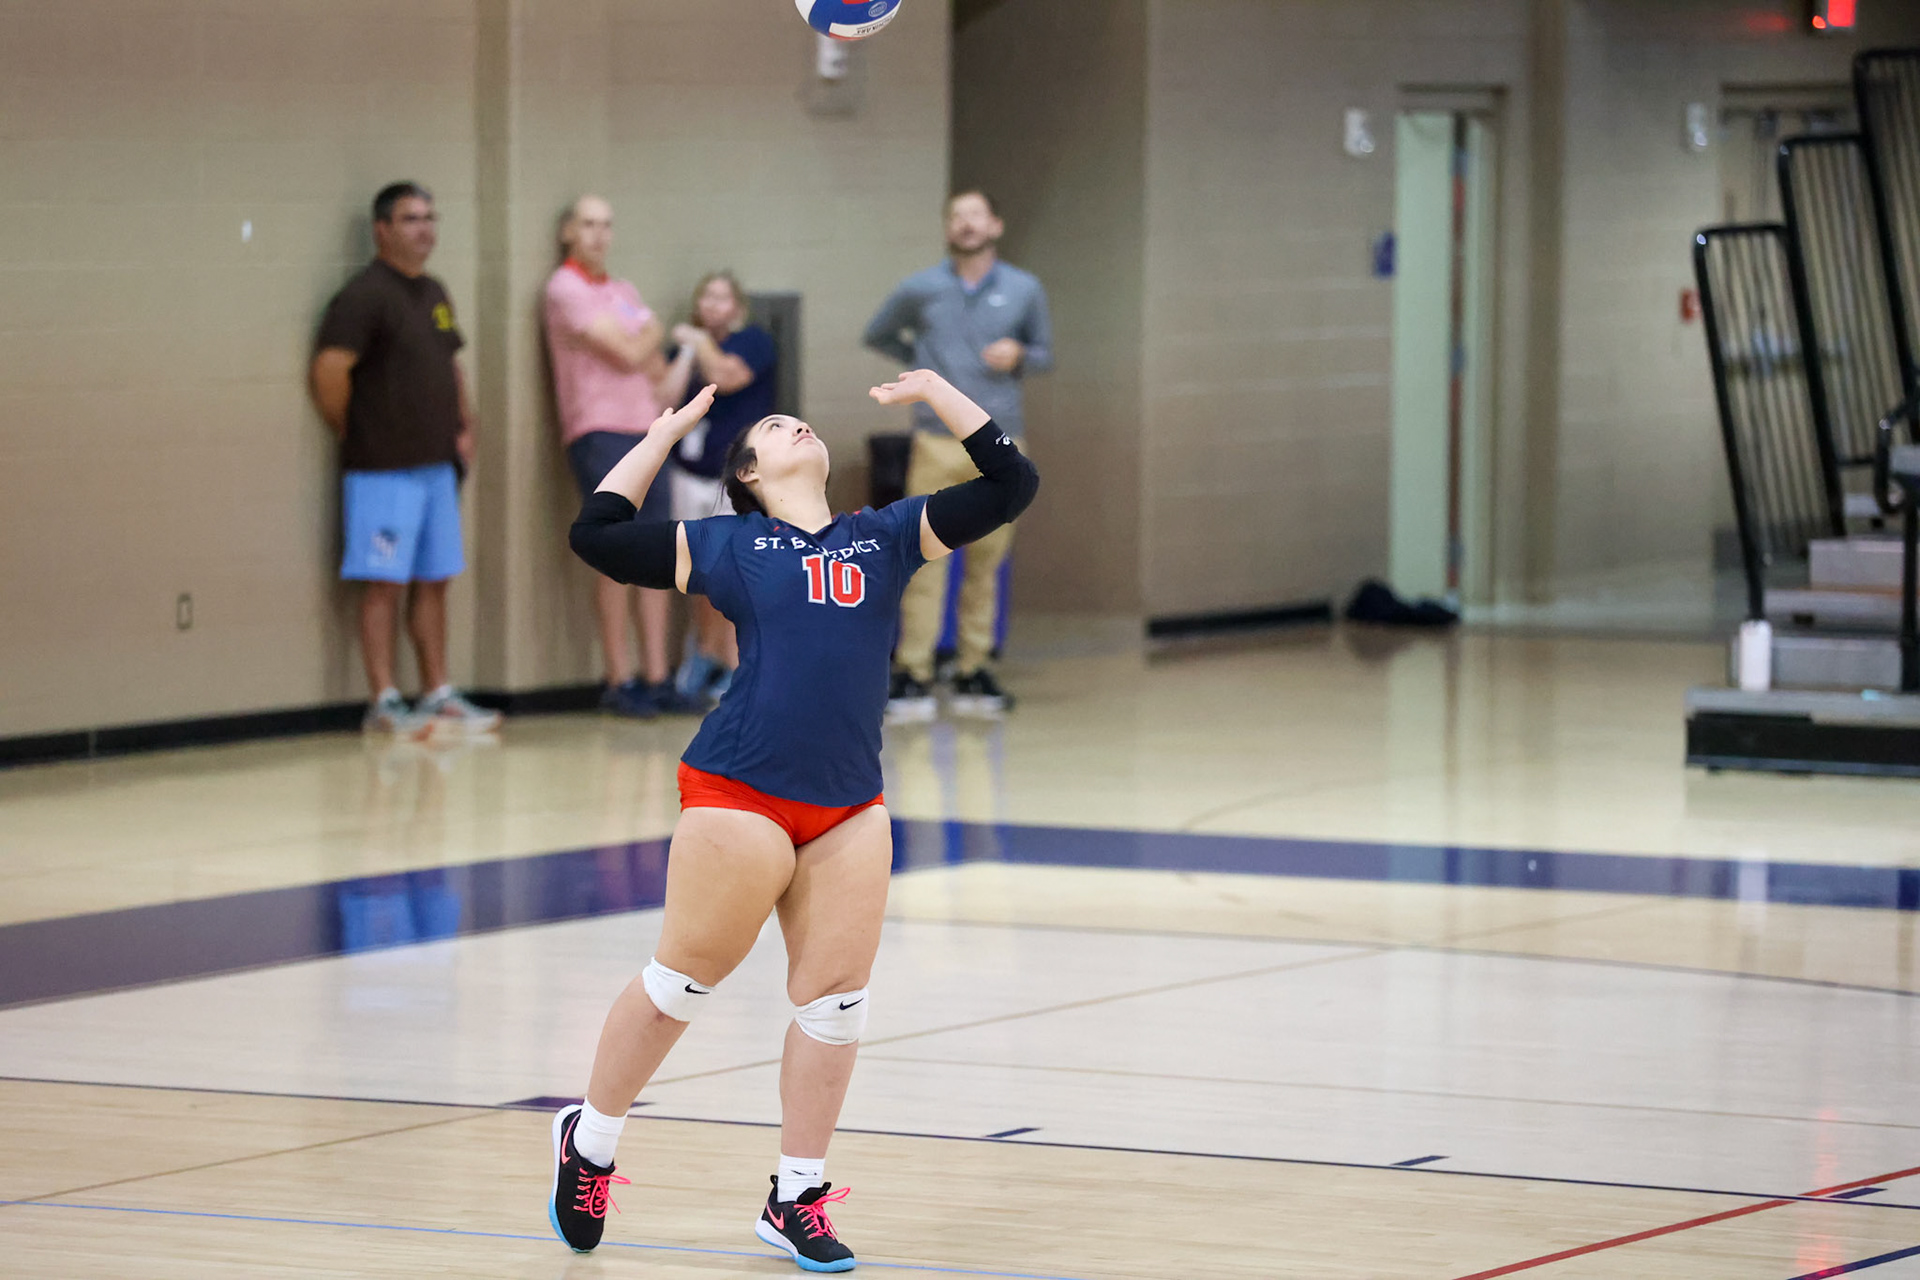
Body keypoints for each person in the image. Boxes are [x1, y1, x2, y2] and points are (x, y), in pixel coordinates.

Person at [555, 367, 1038, 1268]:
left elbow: (1012, 484)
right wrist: (659, 437)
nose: (798, 427)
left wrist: (940, 392)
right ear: (749, 472)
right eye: (776, 427)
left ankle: (795, 1195)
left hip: (849, 802)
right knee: (682, 986)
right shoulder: (731, 544)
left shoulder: (883, 536)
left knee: (837, 1007)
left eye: (800, 421)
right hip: (740, 788)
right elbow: (597, 536)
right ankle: (590, 1141)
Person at [310, 181, 501, 735]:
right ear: (382, 230)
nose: (425, 229)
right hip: (382, 469)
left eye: (430, 218)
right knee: (384, 582)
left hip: (436, 465)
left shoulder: (434, 291)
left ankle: (437, 691)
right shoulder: (363, 296)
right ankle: (385, 699)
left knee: (436, 578)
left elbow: (450, 363)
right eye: (412, 219)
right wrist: (353, 427)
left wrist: (465, 423)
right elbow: (329, 371)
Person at [862, 190, 1052, 720]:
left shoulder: (1024, 288)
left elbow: (1045, 353)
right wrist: (925, 364)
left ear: (995, 225)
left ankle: (974, 667)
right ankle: (914, 670)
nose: (967, 224)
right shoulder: (920, 287)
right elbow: (878, 332)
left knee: (988, 562)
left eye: (976, 215)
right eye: (957, 216)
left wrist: (1020, 354)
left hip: (1001, 440)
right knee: (924, 557)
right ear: (948, 228)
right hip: (935, 438)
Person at [543, 194, 700, 717]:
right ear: (568, 232)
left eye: (606, 224)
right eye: (588, 224)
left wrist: (649, 339)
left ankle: (657, 676)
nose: (599, 234)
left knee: (657, 550)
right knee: (615, 550)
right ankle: (619, 677)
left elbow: (654, 364)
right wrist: (649, 334)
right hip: (600, 431)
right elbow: (633, 350)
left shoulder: (622, 290)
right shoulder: (565, 288)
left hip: (646, 428)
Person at [656, 271, 779, 704]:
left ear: (738, 308)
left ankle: (735, 661)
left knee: (736, 569)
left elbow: (727, 377)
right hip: (689, 472)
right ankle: (704, 651)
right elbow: (664, 398)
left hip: (737, 478)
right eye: (706, 296)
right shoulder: (686, 349)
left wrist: (699, 340)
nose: (712, 304)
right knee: (700, 570)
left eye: (722, 297)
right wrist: (688, 350)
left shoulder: (753, 342)